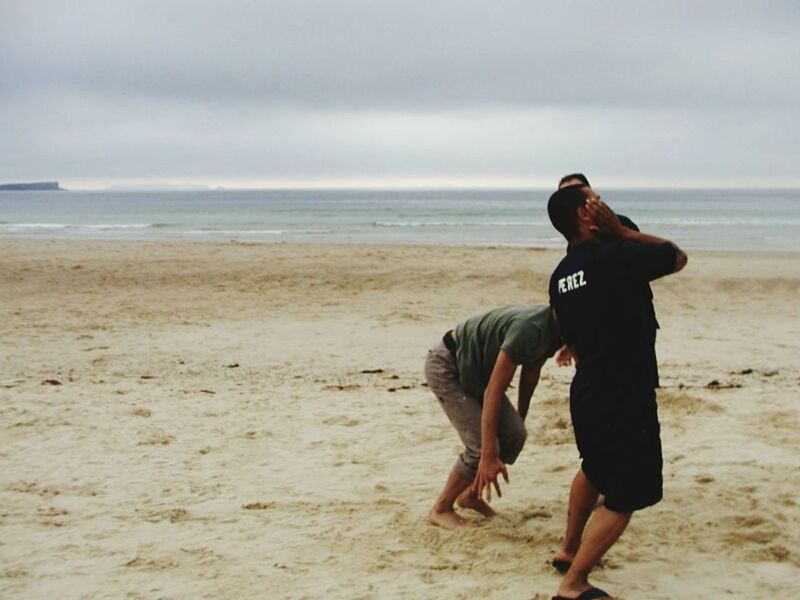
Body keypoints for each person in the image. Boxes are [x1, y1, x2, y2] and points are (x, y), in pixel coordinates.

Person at [546, 185, 687, 600]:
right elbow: (677, 257)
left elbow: (564, 331)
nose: (606, 205)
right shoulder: (616, 256)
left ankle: (570, 550)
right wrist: (624, 234)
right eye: (596, 201)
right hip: (624, 391)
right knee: (626, 496)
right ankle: (574, 584)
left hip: (588, 390)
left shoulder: (560, 276)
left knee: (594, 468)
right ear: (586, 216)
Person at [424, 305, 561, 528]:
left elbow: (530, 373)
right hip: (449, 365)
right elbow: (493, 392)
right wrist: (488, 456)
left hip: (478, 374)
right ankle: (441, 508)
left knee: (515, 435)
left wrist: (519, 419)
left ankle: (470, 495)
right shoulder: (529, 329)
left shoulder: (558, 330)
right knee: (481, 449)